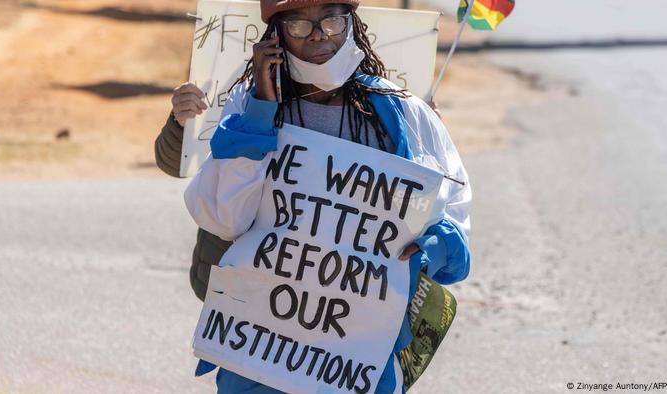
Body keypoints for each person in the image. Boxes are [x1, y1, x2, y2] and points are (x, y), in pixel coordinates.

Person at [157, 0, 472, 392]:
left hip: (357, 357)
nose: (320, 34)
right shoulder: (249, 104)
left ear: (351, 24)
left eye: (332, 21)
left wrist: (438, 243)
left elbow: (449, 213)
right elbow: (224, 218)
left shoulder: (401, 111)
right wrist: (260, 111)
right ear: (276, 38)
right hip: (259, 350)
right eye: (300, 27)